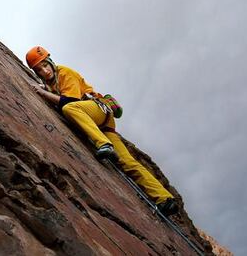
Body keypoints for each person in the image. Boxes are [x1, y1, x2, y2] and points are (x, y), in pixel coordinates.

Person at [25, 45, 179, 216]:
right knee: (127, 161)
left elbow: (71, 101)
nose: (45, 71)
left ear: (51, 62)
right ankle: (165, 199)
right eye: (39, 70)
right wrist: (46, 88)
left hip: (98, 111)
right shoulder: (51, 83)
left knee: (69, 108)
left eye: (45, 65)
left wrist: (43, 93)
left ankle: (103, 144)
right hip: (103, 124)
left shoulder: (64, 73)